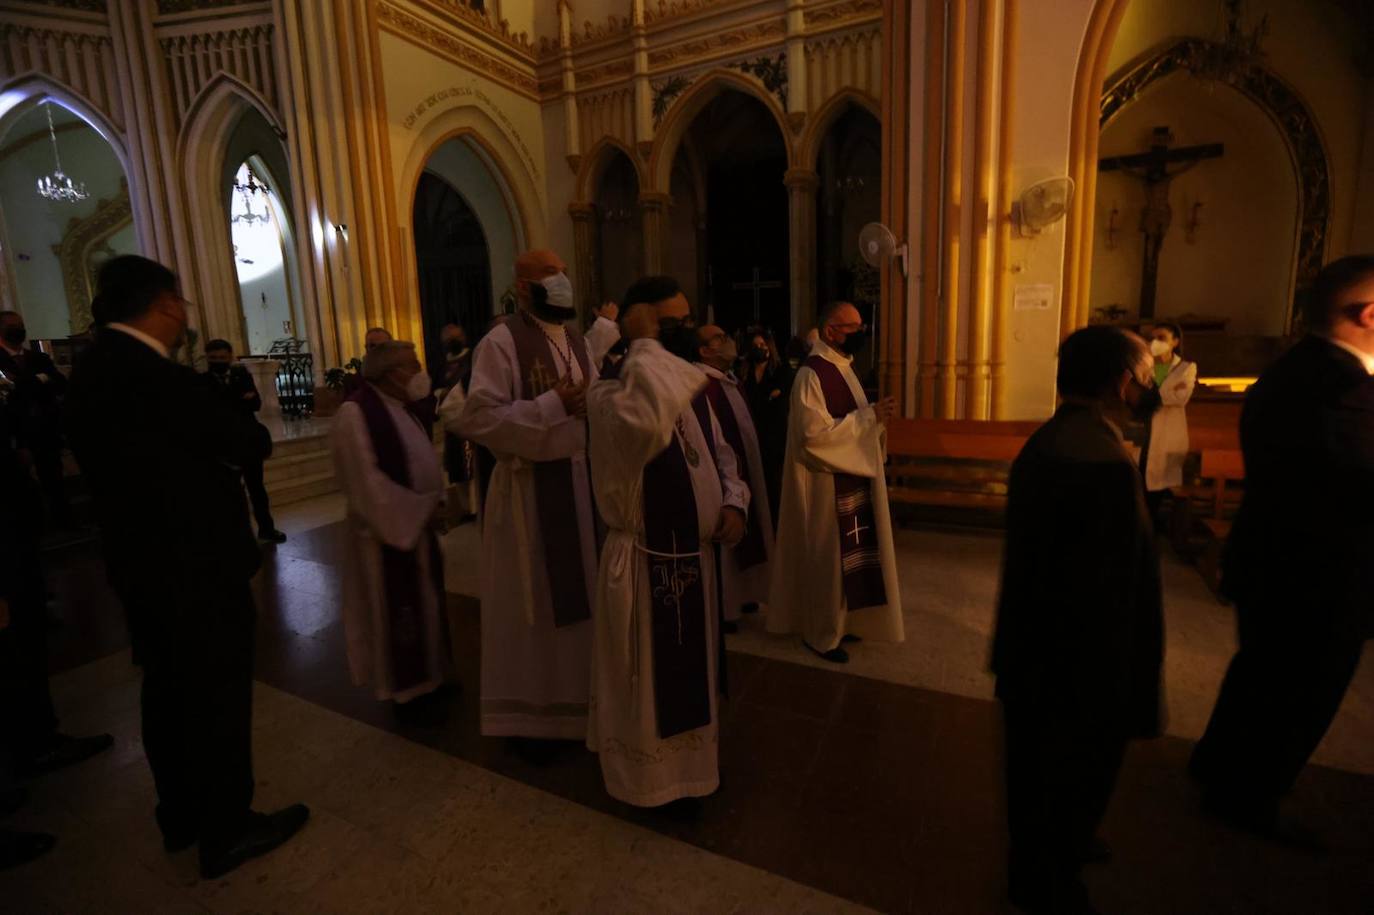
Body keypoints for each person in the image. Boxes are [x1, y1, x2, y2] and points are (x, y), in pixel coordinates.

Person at [66, 255, 308, 880]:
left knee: (167, 693)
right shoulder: (156, 376)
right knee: (217, 695)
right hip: (195, 568)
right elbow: (246, 441)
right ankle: (227, 828)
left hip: (138, 565)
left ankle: (180, 814)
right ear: (168, 304)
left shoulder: (90, 371)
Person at [1190, 255, 1374, 842]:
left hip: (1272, 558)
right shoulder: (1348, 391)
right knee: (1298, 697)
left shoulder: (1289, 371)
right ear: (1370, 314)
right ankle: (1249, 800)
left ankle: (1217, 768)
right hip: (1321, 577)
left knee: (1258, 677)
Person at [991, 325, 1165, 915]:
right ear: (1123, 382)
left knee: (1042, 771)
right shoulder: (1098, 459)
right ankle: (1048, 881)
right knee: (1068, 773)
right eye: (1146, 378)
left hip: (1039, 653)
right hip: (1080, 663)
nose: (1148, 389)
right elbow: (1110, 588)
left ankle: (1051, 852)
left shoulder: (1058, 439)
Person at [443, 249, 619, 751]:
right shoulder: (500, 342)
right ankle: (534, 719)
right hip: (527, 497)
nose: (560, 280)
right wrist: (550, 405)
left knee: (579, 602)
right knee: (534, 607)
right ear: (523, 288)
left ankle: (579, 704)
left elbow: (594, 395)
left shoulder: (574, 342)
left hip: (579, 490)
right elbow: (476, 419)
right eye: (548, 274)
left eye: (562, 270)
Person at [585, 275, 748, 807]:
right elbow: (646, 421)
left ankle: (693, 773)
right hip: (644, 561)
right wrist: (639, 342)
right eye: (670, 322)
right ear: (643, 326)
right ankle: (651, 784)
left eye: (686, 319)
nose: (686, 330)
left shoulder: (685, 382)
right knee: (647, 690)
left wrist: (733, 501)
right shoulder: (612, 391)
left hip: (692, 560)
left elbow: (722, 453)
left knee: (689, 680)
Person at [766, 302, 903, 664]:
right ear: (830, 331)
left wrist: (875, 420)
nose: (861, 333)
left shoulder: (843, 368)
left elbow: (855, 422)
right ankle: (821, 633)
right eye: (852, 327)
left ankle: (845, 622)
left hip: (850, 477)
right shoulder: (812, 374)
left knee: (853, 559)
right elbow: (812, 437)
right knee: (829, 561)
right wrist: (868, 418)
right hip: (824, 484)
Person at [331, 341, 452, 721]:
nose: (420, 371)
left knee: (428, 607)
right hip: (386, 538)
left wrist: (435, 503)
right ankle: (408, 693)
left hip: (416, 528)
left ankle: (432, 677)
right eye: (414, 365)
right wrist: (421, 511)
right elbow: (366, 485)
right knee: (400, 614)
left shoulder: (403, 409)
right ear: (393, 373)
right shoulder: (356, 414)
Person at [693, 325, 774, 630]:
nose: (729, 340)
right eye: (720, 338)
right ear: (704, 351)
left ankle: (744, 594)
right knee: (727, 542)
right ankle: (726, 607)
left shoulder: (728, 381)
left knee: (753, 531)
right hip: (722, 477)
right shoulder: (700, 384)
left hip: (746, 472)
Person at [204, 339, 285, 544]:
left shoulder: (242, 375)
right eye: (213, 358)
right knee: (230, 492)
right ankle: (237, 536)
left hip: (248, 443)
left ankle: (267, 529)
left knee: (257, 489)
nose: (218, 362)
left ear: (230, 357)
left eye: (222, 358)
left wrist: (233, 401)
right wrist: (239, 399)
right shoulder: (203, 381)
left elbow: (255, 403)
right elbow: (212, 411)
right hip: (223, 445)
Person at [0, 310, 71, 526]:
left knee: (54, 477)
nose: (19, 329)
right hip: (15, 430)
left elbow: (59, 383)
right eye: (13, 326)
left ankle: (64, 520)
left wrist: (23, 384)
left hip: (44, 427)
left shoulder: (38, 358)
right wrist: (39, 380)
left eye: (20, 324)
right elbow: (10, 392)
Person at [1137, 321, 1196, 520]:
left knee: (1157, 490)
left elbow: (1181, 398)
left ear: (1175, 342)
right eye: (1152, 338)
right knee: (1139, 488)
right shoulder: (1144, 367)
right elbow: (1137, 396)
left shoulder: (1186, 368)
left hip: (1167, 436)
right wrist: (1166, 393)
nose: (1155, 342)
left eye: (1161, 338)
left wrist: (1154, 395)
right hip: (1144, 435)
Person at [739, 327, 793, 524]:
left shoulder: (782, 370)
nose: (760, 348)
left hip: (775, 436)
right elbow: (753, 400)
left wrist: (769, 397)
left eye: (762, 345)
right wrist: (768, 397)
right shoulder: (745, 373)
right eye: (755, 346)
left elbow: (777, 397)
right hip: (753, 433)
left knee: (773, 486)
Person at [435, 324, 477, 519]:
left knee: (472, 468)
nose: (452, 341)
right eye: (448, 338)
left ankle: (476, 507)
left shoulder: (473, 358)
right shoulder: (441, 364)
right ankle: (465, 508)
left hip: (470, 423)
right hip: (452, 426)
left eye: (456, 337)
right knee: (457, 469)